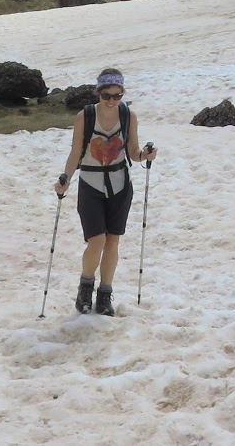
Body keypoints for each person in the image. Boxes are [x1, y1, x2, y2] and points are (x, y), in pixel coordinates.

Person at [54, 68, 156, 315]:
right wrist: (66, 178)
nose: (111, 101)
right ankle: (85, 288)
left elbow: (133, 152)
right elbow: (76, 152)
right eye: (106, 95)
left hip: (120, 185)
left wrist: (145, 155)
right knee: (96, 240)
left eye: (117, 96)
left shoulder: (128, 116)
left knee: (112, 240)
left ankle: (104, 295)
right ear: (98, 93)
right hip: (90, 184)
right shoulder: (85, 117)